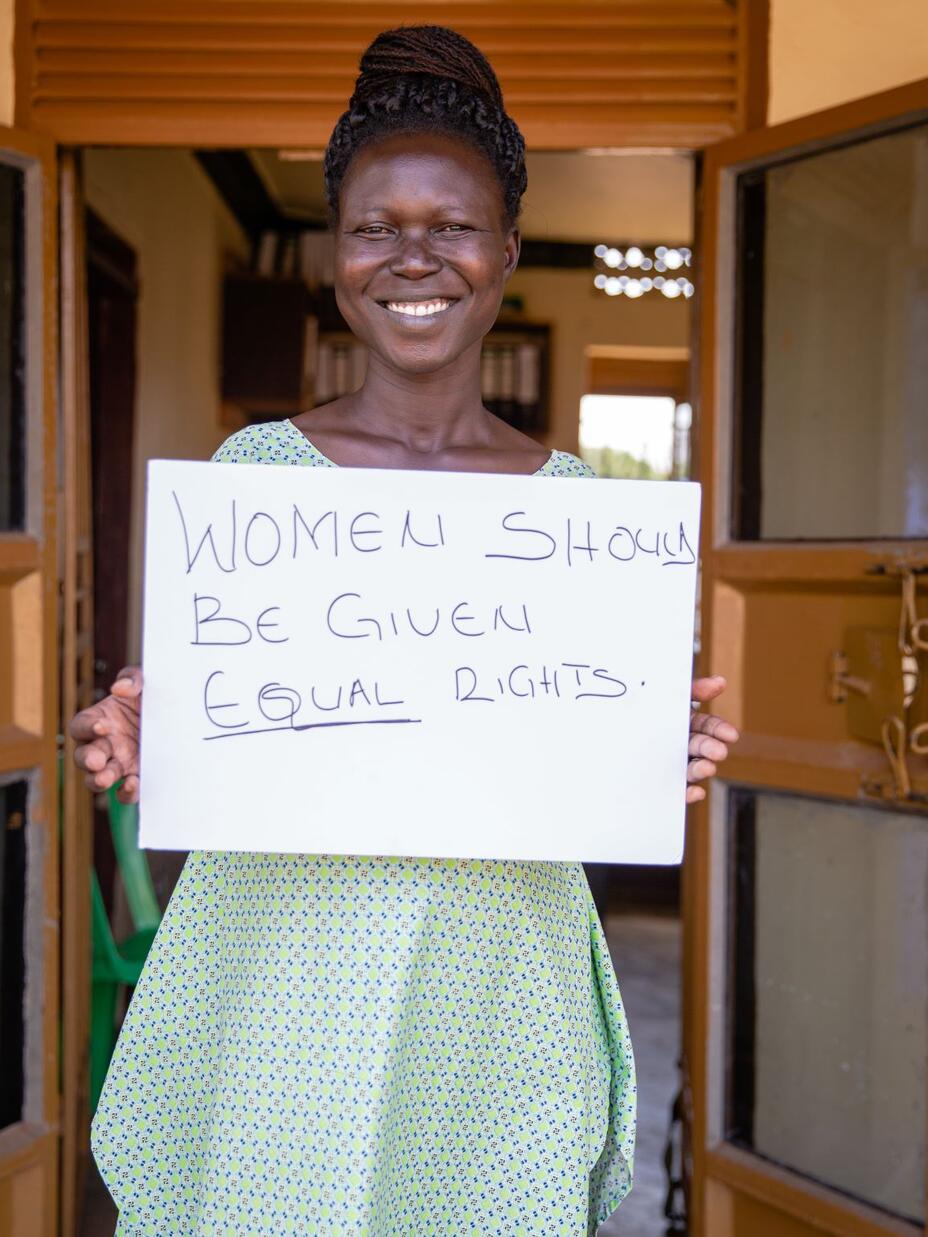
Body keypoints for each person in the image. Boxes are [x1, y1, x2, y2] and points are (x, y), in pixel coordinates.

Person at [71, 25, 738, 1237]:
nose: (413, 257)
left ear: (505, 252)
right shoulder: (253, 476)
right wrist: (140, 732)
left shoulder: (581, 510)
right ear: (338, 253)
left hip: (495, 990)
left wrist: (654, 754)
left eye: (453, 225)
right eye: (377, 225)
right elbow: (213, 720)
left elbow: (579, 750)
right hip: (281, 983)